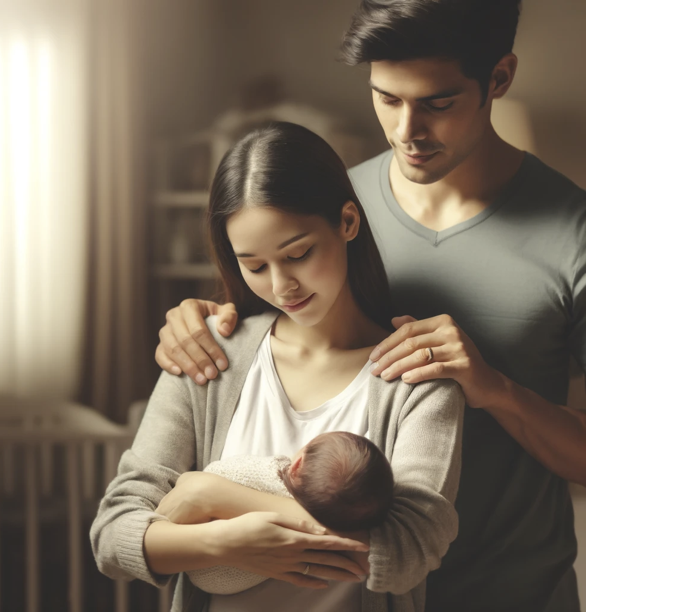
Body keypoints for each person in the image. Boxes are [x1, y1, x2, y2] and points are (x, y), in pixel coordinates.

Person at [153, 2, 586, 611]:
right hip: (354, 588)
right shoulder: (327, 206)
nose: (407, 130)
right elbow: (258, 316)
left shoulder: (582, 234)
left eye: (437, 103)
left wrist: (496, 389)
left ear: (500, 78)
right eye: (386, 98)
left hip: (513, 591)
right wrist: (193, 323)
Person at [91, 121, 465, 612]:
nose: (282, 284)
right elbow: (114, 532)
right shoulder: (208, 357)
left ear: (348, 222)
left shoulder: (416, 378)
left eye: (298, 254)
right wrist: (224, 544)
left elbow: (407, 552)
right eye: (254, 265)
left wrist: (216, 497)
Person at [187, 431, 395, 595]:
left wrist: (209, 494)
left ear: (295, 466)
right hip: (223, 584)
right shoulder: (322, 542)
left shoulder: (270, 470)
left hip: (191, 550)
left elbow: (216, 474)